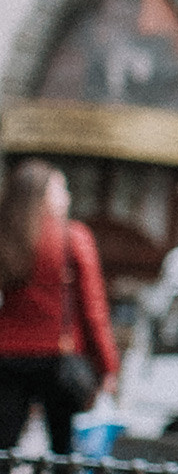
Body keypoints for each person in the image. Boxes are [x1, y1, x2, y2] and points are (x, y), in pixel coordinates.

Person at [0, 159, 117, 454]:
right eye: (60, 188)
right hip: (59, 357)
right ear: (43, 195)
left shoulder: (6, 238)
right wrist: (108, 366)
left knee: (4, 445)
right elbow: (94, 311)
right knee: (63, 448)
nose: (67, 196)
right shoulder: (73, 237)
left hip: (8, 355)